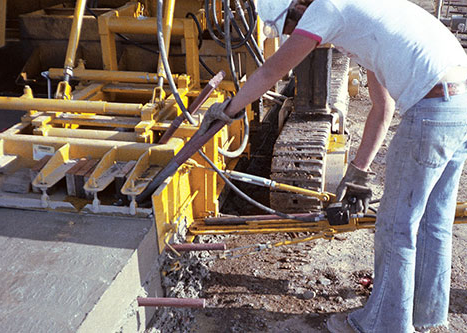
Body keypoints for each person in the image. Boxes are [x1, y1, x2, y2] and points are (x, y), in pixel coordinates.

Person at [199, 0, 467, 332]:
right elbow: (382, 108)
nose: (295, 36)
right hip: (459, 103)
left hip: (431, 107)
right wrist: (358, 172)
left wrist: (229, 109)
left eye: (290, 27)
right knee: (433, 220)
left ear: (297, 6)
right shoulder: (365, 19)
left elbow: (272, 71)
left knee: (396, 225)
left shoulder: (326, 6)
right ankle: (423, 314)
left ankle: (385, 326)